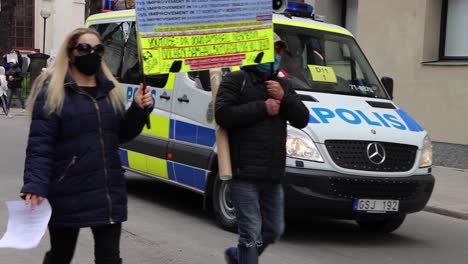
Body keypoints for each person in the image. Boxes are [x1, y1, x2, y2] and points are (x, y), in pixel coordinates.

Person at [19, 27, 153, 264]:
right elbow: (41, 145)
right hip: (66, 192)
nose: (92, 53)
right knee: (61, 256)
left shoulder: (110, 91)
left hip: (107, 192)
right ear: (71, 53)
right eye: (84, 48)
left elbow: (120, 134)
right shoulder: (53, 92)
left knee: (109, 258)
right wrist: (34, 184)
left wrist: (138, 110)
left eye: (98, 49)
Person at [215, 33, 309, 264]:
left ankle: (237, 257)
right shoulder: (237, 80)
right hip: (244, 172)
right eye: (272, 50)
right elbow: (223, 115)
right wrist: (262, 107)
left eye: (279, 52)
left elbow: (302, 119)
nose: (276, 57)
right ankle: (244, 255)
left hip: (272, 174)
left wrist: (284, 97)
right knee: (250, 234)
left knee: (273, 230)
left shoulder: (282, 85)